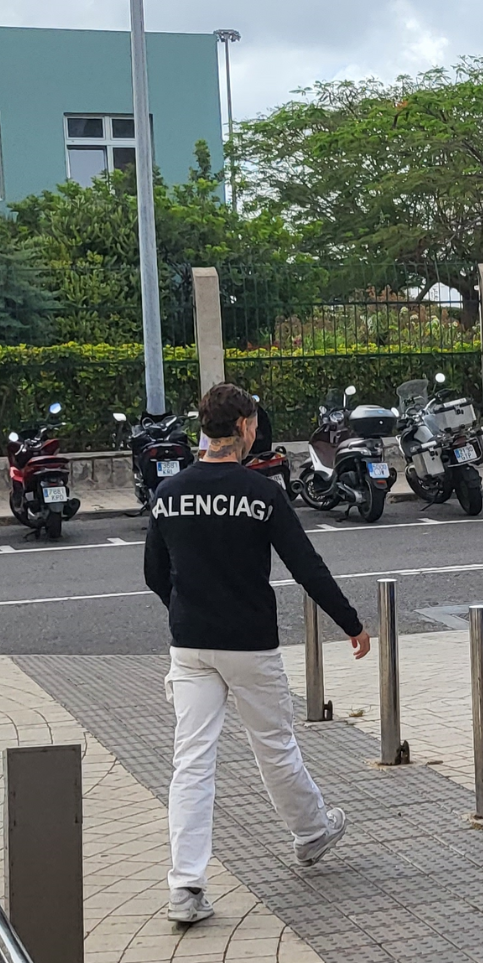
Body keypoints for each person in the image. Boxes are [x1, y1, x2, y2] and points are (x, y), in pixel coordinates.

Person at [143, 382, 372, 926]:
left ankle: (186, 887)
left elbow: (155, 573)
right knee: (274, 745)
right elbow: (306, 566)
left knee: (192, 763)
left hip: (191, 645)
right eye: (253, 424)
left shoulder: (168, 493)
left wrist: (187, 607)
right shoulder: (262, 493)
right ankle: (312, 832)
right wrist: (352, 624)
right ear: (243, 427)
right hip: (250, 643)